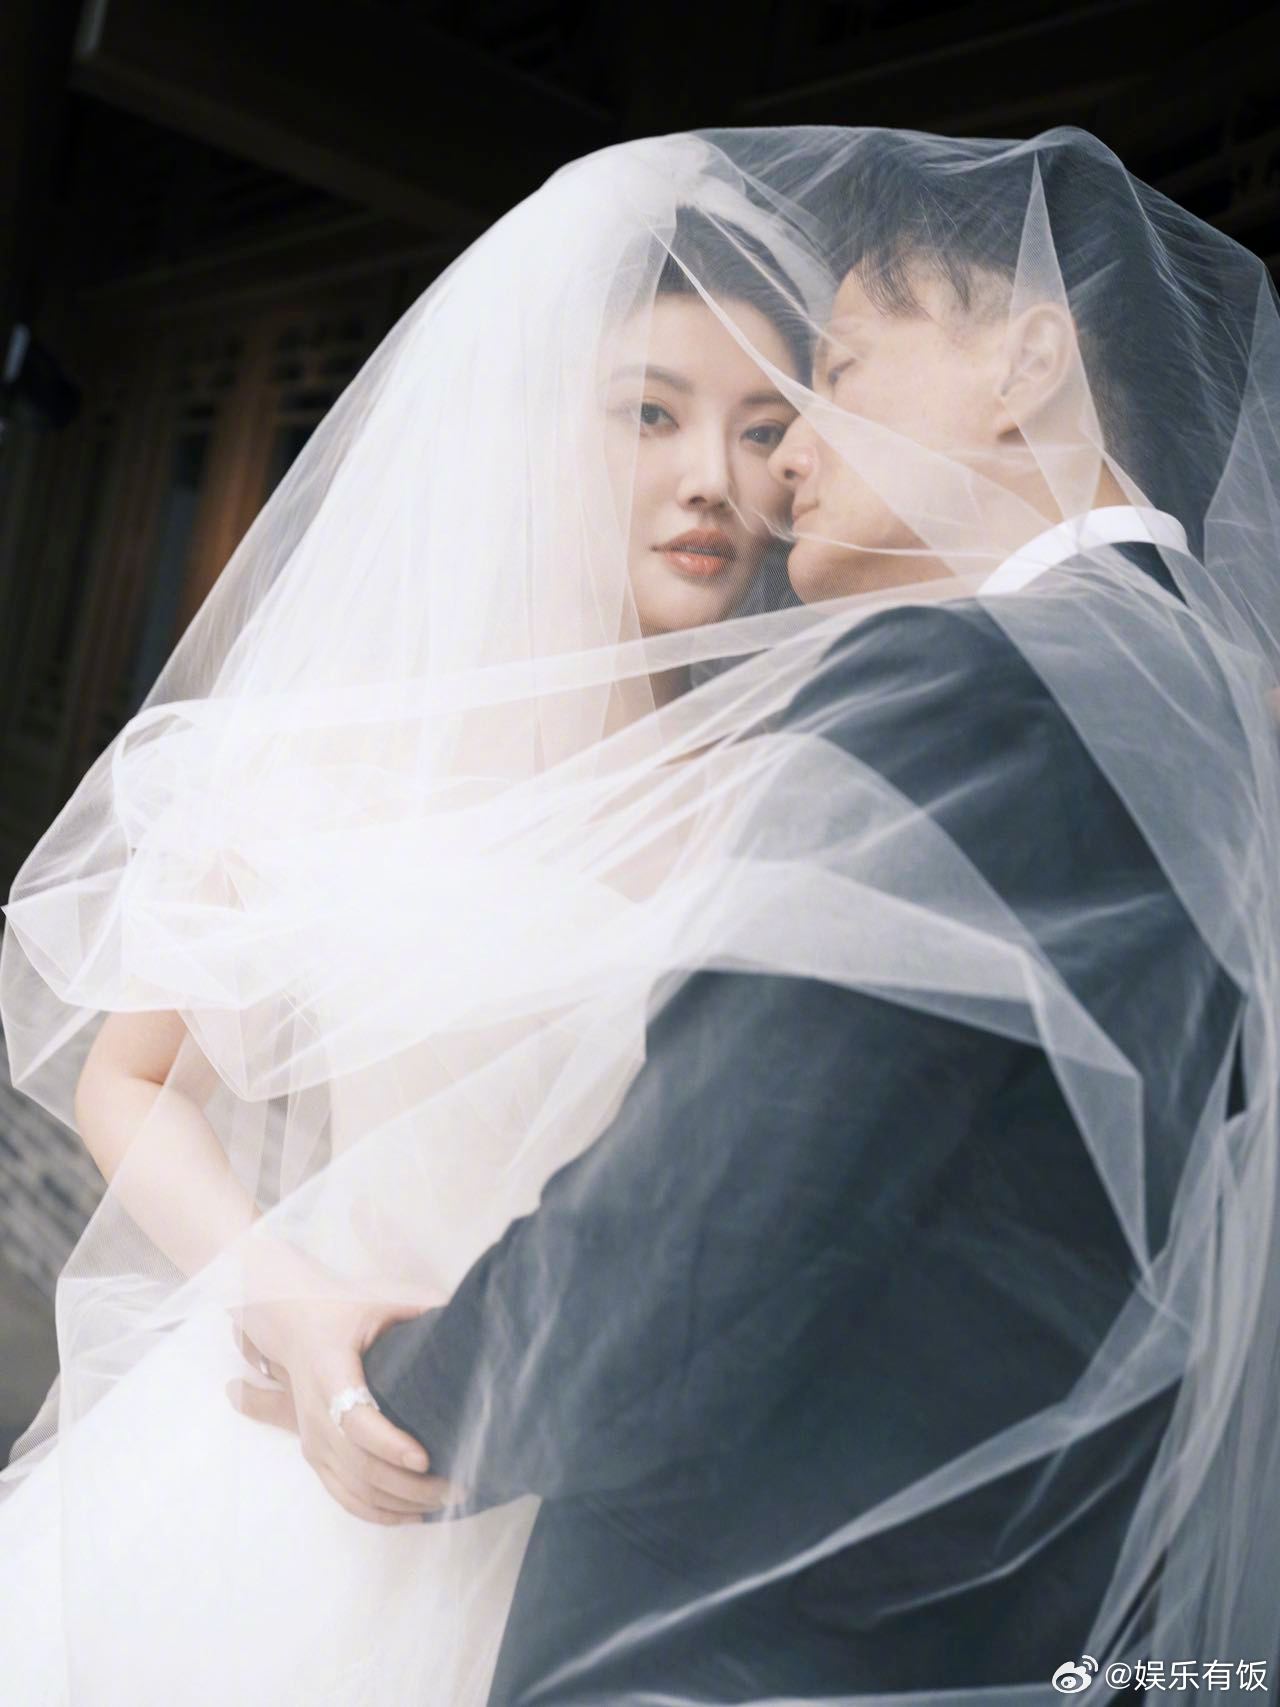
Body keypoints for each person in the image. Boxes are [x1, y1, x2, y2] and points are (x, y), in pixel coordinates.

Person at [352, 128, 1280, 1702]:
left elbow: (702, 1218)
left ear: (1026, 363)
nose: (786, 461)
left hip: (762, 1638)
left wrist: (398, 1392)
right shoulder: (1216, 702)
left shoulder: (980, 679)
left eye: (837, 373)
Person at [0, 150, 820, 1702]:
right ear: (535, 432)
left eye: (761, 428)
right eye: (650, 414)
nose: (714, 476)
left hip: (628, 1516)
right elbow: (132, 1080)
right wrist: (288, 1304)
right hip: (322, 1444)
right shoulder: (332, 748)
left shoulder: (778, 787)